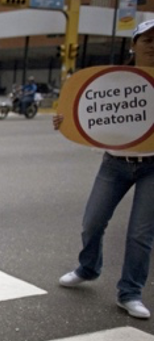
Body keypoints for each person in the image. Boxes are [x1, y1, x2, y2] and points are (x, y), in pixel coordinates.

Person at [55, 19, 154, 320]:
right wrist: (65, 122)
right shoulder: (112, 80)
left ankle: (130, 292)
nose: (152, 44)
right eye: (146, 38)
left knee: (140, 234)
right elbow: (88, 112)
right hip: (115, 163)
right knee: (92, 223)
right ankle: (88, 268)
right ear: (133, 44)